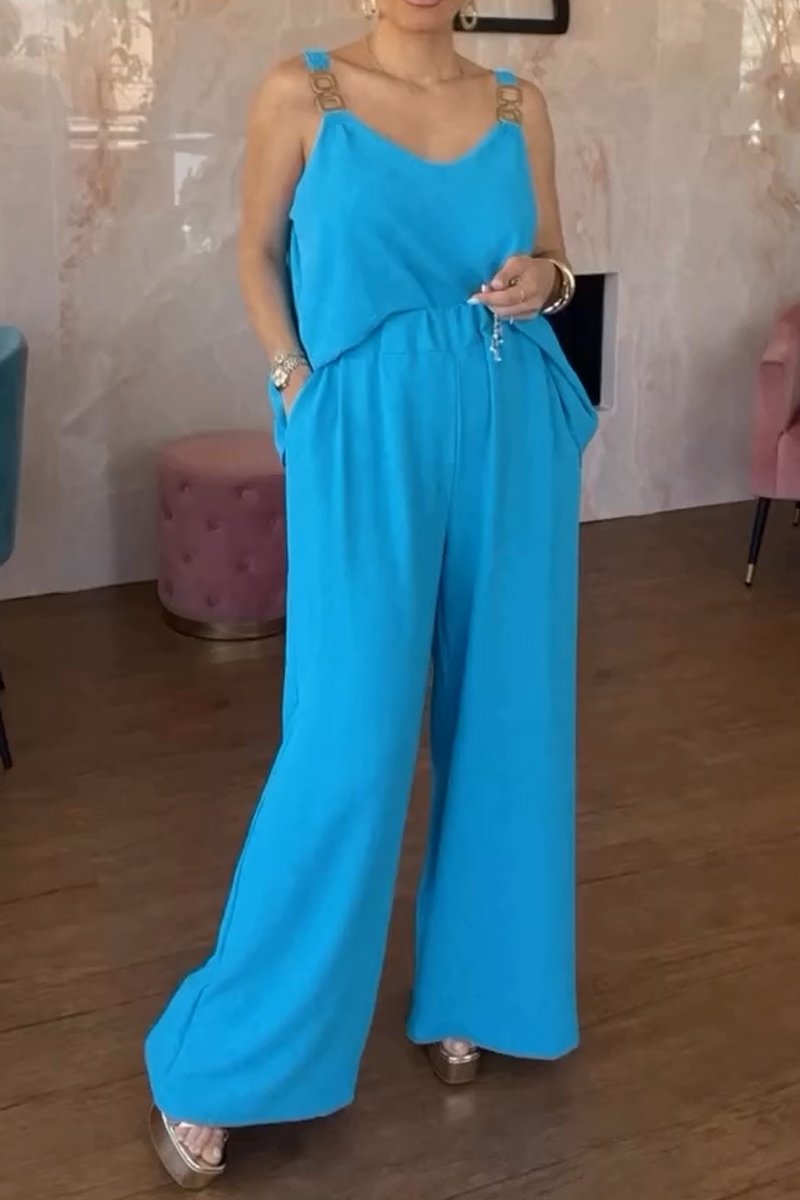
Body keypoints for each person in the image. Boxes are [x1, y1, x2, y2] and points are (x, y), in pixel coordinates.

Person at [145, 0, 597, 1187]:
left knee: (506, 721)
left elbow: (559, 262)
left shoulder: (519, 106)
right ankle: (230, 1056)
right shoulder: (302, 93)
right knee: (344, 740)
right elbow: (253, 251)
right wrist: (295, 383)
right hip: (360, 433)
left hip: (508, 423)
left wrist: (544, 280)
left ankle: (480, 992)